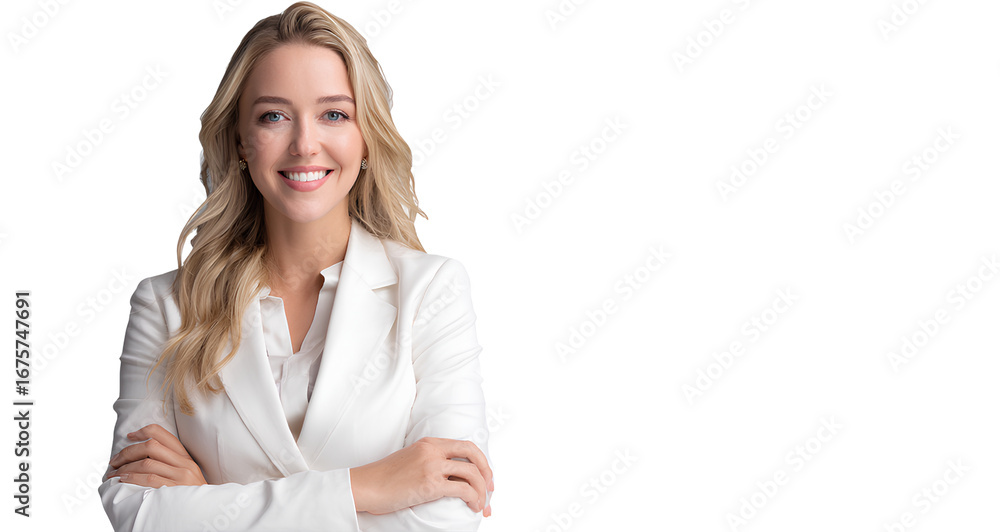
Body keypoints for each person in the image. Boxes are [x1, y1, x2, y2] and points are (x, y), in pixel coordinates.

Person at [97, 3, 494, 530]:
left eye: (334, 114)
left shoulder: (431, 291)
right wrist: (368, 487)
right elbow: (138, 512)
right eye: (273, 116)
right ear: (240, 141)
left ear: (366, 135)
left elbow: (447, 516)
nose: (305, 144)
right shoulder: (166, 306)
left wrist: (209, 501)